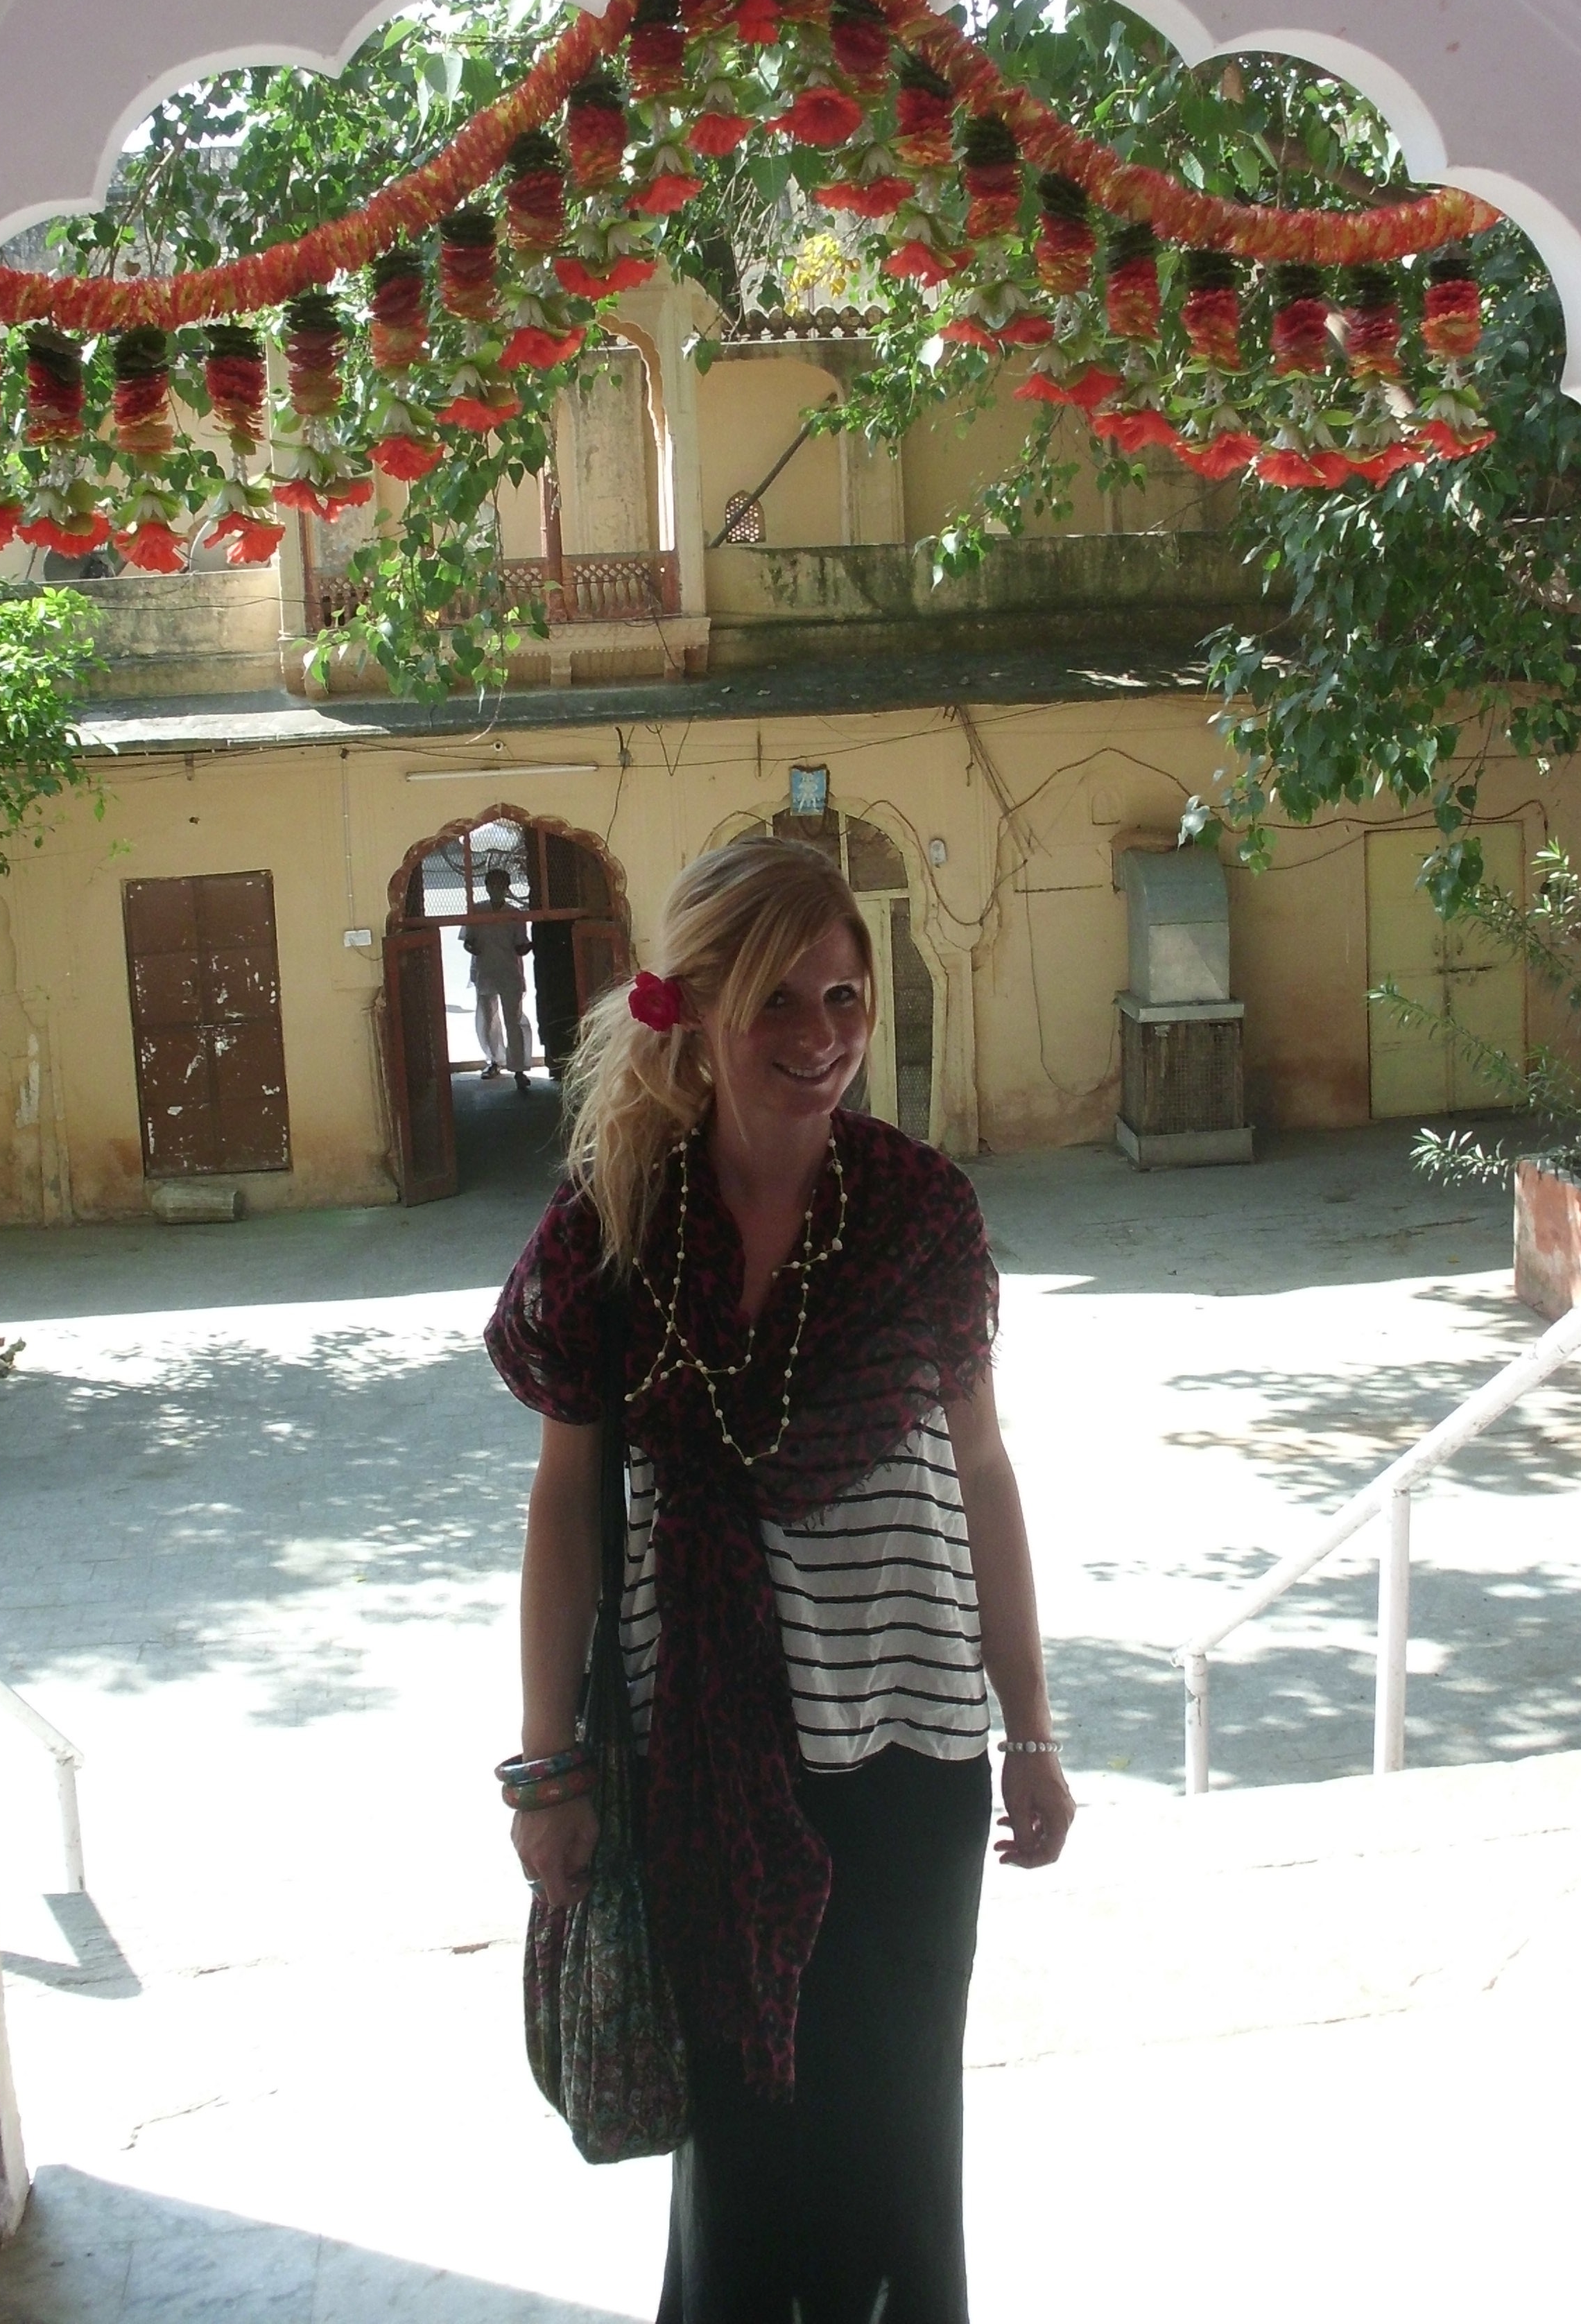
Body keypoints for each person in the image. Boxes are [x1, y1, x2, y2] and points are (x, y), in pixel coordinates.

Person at [486, 836, 1074, 2324]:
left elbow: (985, 1475)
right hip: (698, 1763)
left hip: (910, 1758)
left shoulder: (919, 1213)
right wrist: (547, 1765)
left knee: (896, 2143)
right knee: (742, 2159)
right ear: (693, 1006)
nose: (821, 1037)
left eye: (844, 997)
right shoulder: (613, 1227)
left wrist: (1032, 1729)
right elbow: (565, 1510)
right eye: (779, 1001)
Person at [463, 864, 534, 1091]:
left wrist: (531, 946)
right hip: (485, 971)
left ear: (507, 888)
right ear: (486, 887)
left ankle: (519, 1069)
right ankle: (494, 1061)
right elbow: (467, 941)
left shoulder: (515, 914)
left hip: (509, 972)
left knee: (514, 1020)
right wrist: (473, 947)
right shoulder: (477, 912)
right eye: (492, 885)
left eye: (500, 886)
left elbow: (521, 945)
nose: (496, 889)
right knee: (488, 1019)